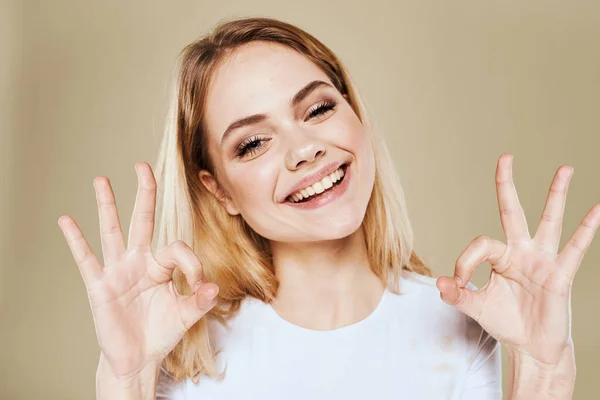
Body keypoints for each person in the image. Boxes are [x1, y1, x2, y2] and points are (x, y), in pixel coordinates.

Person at [57, 16, 599, 400]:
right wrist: (126, 380)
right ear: (219, 190)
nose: (305, 150)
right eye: (253, 143)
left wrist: (544, 374)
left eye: (318, 109)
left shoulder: (460, 328)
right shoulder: (182, 354)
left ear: (354, 114)